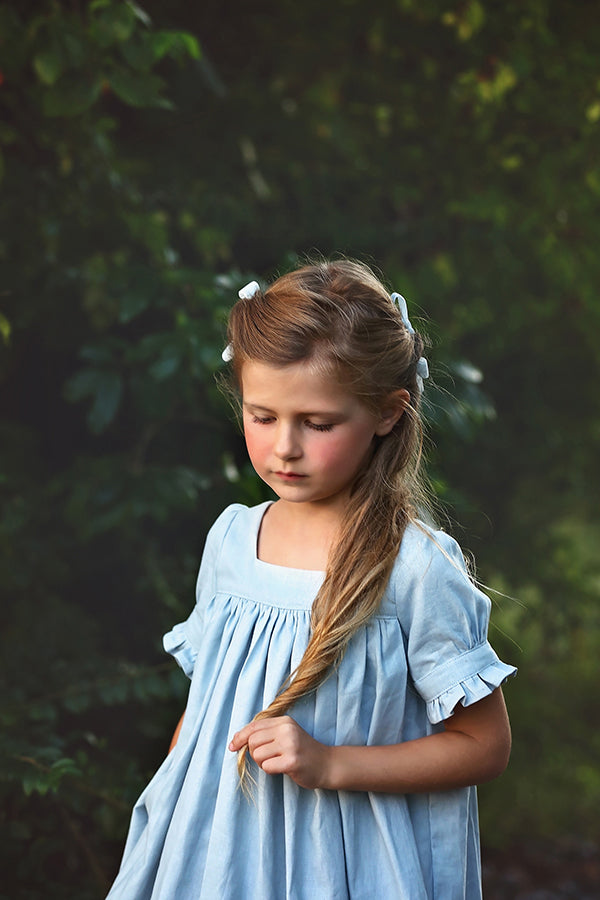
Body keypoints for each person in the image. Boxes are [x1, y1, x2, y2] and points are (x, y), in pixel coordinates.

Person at [106, 259, 516, 900]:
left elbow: (484, 746)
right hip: (222, 859)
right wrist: (170, 815)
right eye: (261, 416)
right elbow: (206, 712)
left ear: (387, 413)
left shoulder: (413, 567)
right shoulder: (232, 540)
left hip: (350, 868)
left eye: (318, 424)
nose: (284, 447)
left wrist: (330, 762)